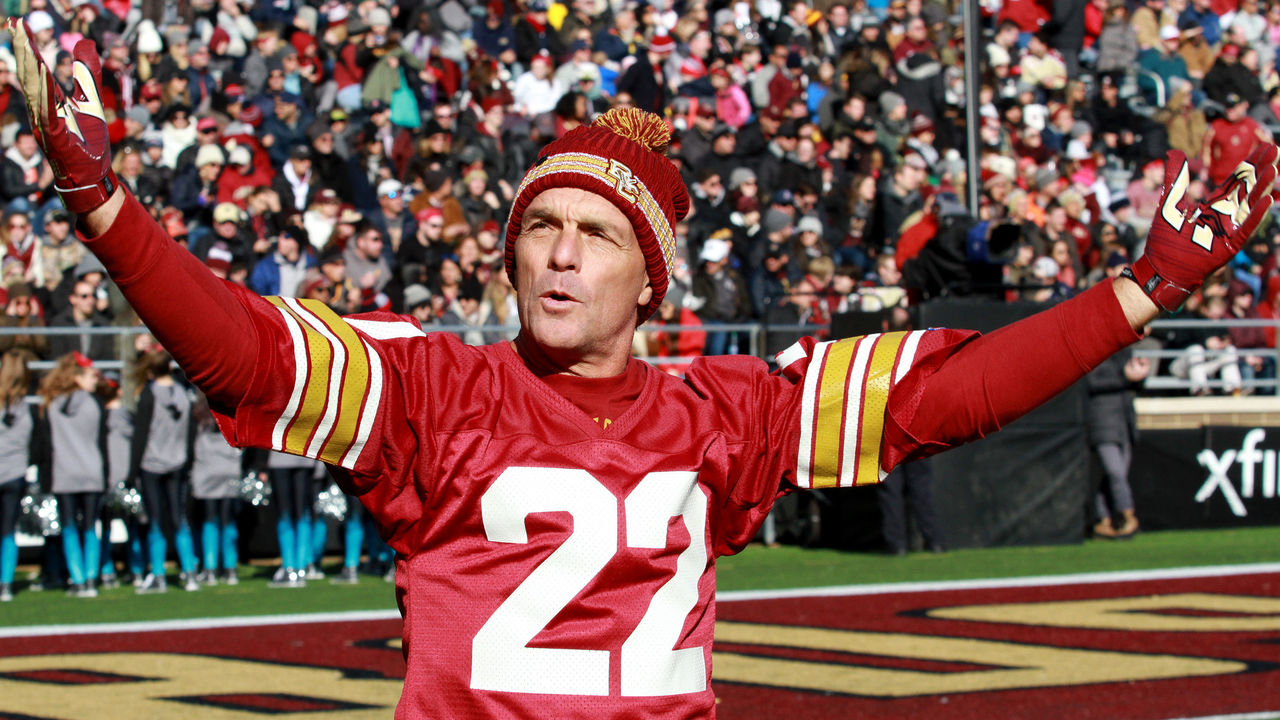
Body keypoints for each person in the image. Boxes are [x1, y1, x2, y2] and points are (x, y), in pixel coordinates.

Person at [11, 26, 1278, 716]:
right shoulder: (433, 394)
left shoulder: (722, 415)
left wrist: (1138, 291)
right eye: (539, 231)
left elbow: (943, 400)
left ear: (650, 277)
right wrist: (104, 204)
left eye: (597, 237)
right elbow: (244, 344)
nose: (560, 260)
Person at [35, 351, 105, 598]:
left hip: (64, 473)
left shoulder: (52, 404)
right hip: (92, 473)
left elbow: (46, 445)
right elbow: (102, 440)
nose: (95, 379)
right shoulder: (94, 403)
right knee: (89, 527)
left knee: (69, 528)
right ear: (77, 377)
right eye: (90, 375)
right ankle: (90, 579)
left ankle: (76, 580)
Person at [130, 349, 198, 593]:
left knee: (156, 521)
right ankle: (189, 572)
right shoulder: (183, 392)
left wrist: (131, 471)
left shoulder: (149, 394)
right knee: (179, 519)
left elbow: (140, 434)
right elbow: (191, 432)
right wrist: (188, 460)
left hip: (152, 465)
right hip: (178, 463)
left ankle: (158, 574)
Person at [188, 390, 243, 585]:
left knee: (210, 518)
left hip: (207, 467)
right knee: (228, 519)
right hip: (229, 466)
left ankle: (210, 569)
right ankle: (230, 569)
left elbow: (190, 440)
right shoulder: (231, 405)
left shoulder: (198, 409)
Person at [0, 351, 35, 602]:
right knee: (8, 531)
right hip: (15, 473)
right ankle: (6, 583)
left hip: (11, 472)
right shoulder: (25, 405)